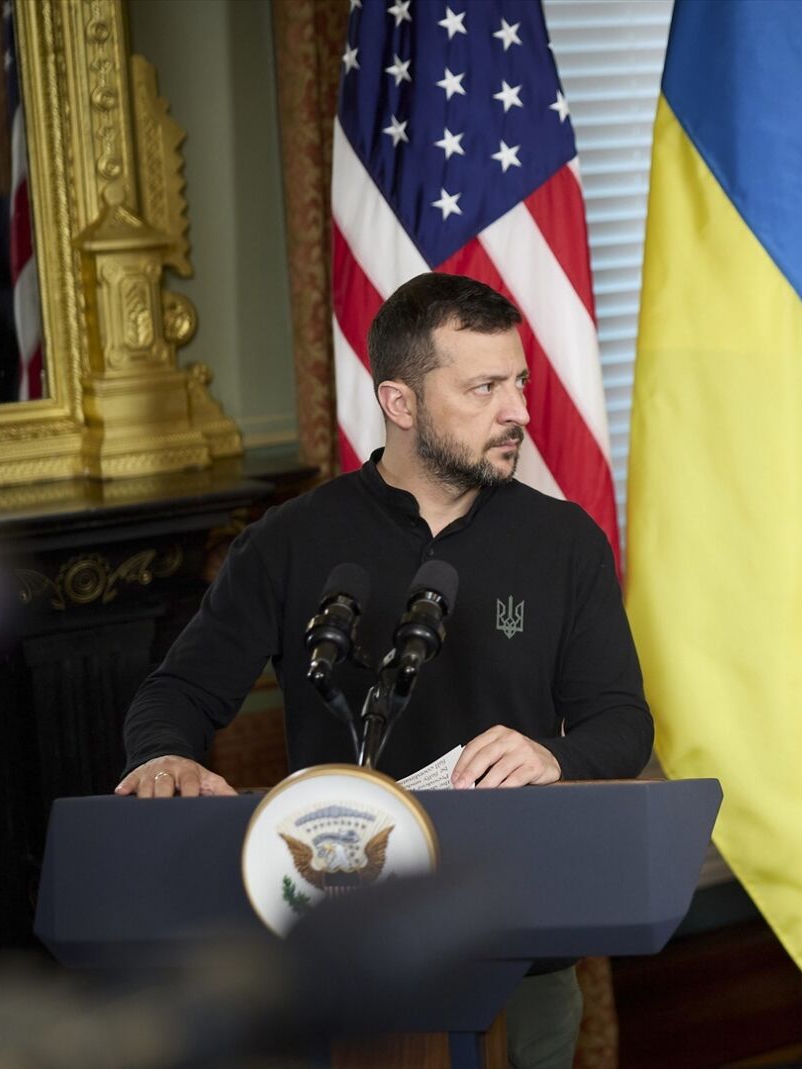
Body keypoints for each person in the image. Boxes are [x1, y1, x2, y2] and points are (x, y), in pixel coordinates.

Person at [115, 272, 652, 1069]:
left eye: (520, 383)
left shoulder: (566, 541)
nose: (519, 411)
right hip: (344, 945)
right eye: (484, 388)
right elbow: (178, 692)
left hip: (518, 943)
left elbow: (622, 722)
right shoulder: (291, 540)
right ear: (401, 403)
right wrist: (165, 755)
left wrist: (554, 754)